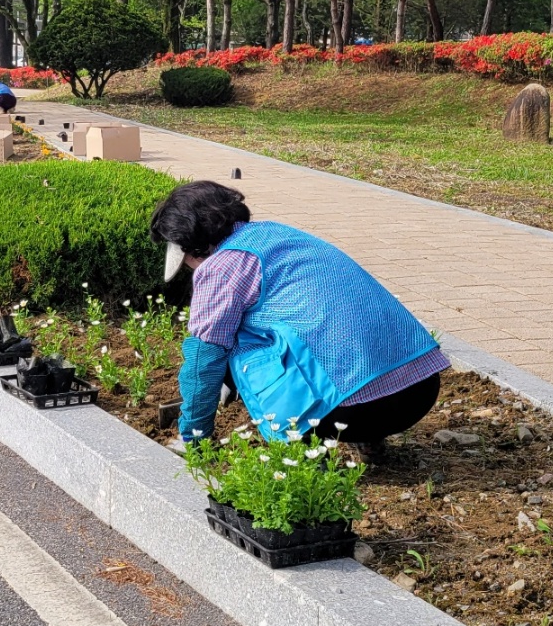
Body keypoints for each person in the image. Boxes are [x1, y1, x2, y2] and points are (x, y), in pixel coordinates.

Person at [151, 181, 448, 459]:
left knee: (226, 346)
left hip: (356, 410)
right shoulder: (278, 233)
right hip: (421, 389)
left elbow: (203, 362)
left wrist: (193, 438)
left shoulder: (220, 267)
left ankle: (304, 457)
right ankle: (368, 439)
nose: (189, 270)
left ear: (191, 246)